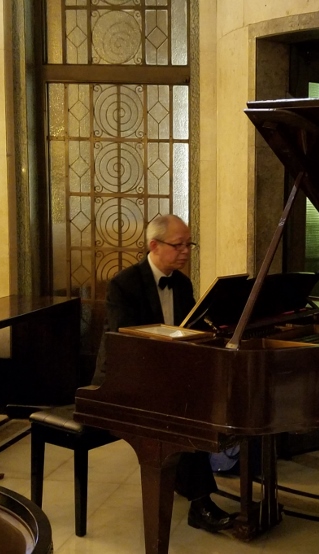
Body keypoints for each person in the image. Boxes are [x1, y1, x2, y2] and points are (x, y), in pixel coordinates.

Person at [100, 214, 234, 533]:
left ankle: (194, 485)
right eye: (178, 245)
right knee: (185, 412)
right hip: (127, 378)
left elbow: (192, 330)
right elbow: (125, 341)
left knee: (204, 400)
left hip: (168, 375)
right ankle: (200, 502)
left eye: (189, 244)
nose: (186, 251)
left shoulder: (182, 283)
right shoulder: (124, 284)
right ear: (154, 245)